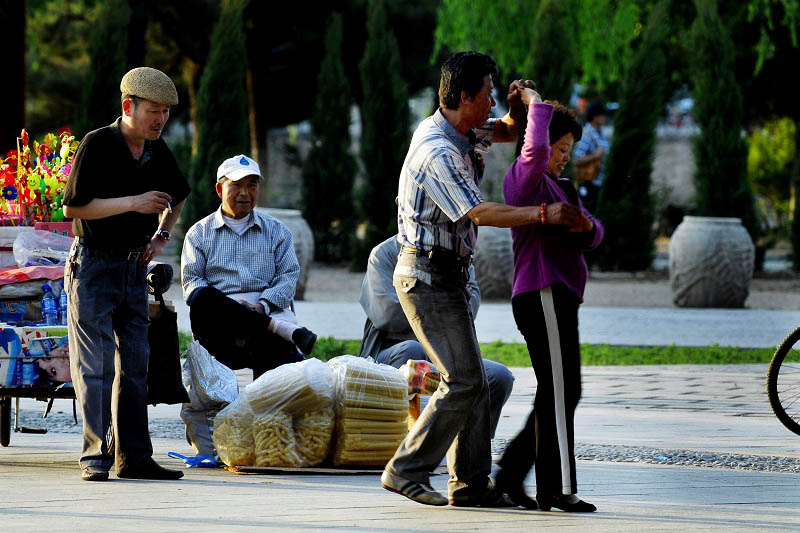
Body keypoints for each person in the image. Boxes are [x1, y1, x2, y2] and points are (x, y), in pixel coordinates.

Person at [380, 51, 584, 508]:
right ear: (465, 96)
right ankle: (405, 469)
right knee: (465, 380)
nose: (492, 102)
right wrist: (543, 213)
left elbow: (509, 131)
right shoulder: (437, 150)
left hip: (448, 276)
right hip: (425, 277)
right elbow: (480, 212)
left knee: (475, 380)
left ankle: (471, 485)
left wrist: (521, 109)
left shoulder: (466, 128)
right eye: (488, 94)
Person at [62, 67, 190, 482]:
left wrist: (162, 237)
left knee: (137, 365)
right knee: (95, 365)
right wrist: (134, 203)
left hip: (135, 267)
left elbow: (180, 193)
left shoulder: (157, 151)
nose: (160, 120)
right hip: (94, 265)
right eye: (153, 111)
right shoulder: (98, 143)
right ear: (127, 106)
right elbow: (74, 207)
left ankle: (134, 457)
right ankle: (95, 455)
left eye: (166, 113)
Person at [493, 89, 604, 512]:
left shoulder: (561, 188)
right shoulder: (525, 181)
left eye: (568, 151)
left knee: (560, 392)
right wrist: (535, 104)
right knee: (561, 391)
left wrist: (585, 229)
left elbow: (595, 233)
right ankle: (558, 490)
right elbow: (534, 150)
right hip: (541, 294)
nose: (562, 158)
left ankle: (508, 476)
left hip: (560, 299)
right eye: (560, 149)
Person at [358, 235, 514, 438]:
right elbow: (388, 315)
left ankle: (468, 451)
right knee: (414, 353)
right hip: (390, 353)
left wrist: (422, 305)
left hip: (445, 354)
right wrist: (445, 307)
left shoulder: (459, 255)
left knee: (498, 377)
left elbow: (470, 309)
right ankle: (407, 444)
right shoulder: (384, 254)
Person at [181, 154, 317, 380]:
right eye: (236, 185)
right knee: (201, 296)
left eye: (251, 185)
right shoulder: (199, 233)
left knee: (271, 395)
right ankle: (281, 329)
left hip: (264, 309)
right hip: (221, 321)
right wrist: (233, 307)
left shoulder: (277, 231)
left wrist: (262, 306)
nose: (245, 193)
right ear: (219, 189)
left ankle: (272, 331)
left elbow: (288, 276)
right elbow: (192, 282)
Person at [572, 100, 610, 213]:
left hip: (599, 181)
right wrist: (595, 156)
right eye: (602, 114)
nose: (604, 117)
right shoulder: (587, 135)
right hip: (588, 183)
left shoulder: (600, 133)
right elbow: (576, 159)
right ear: (594, 116)